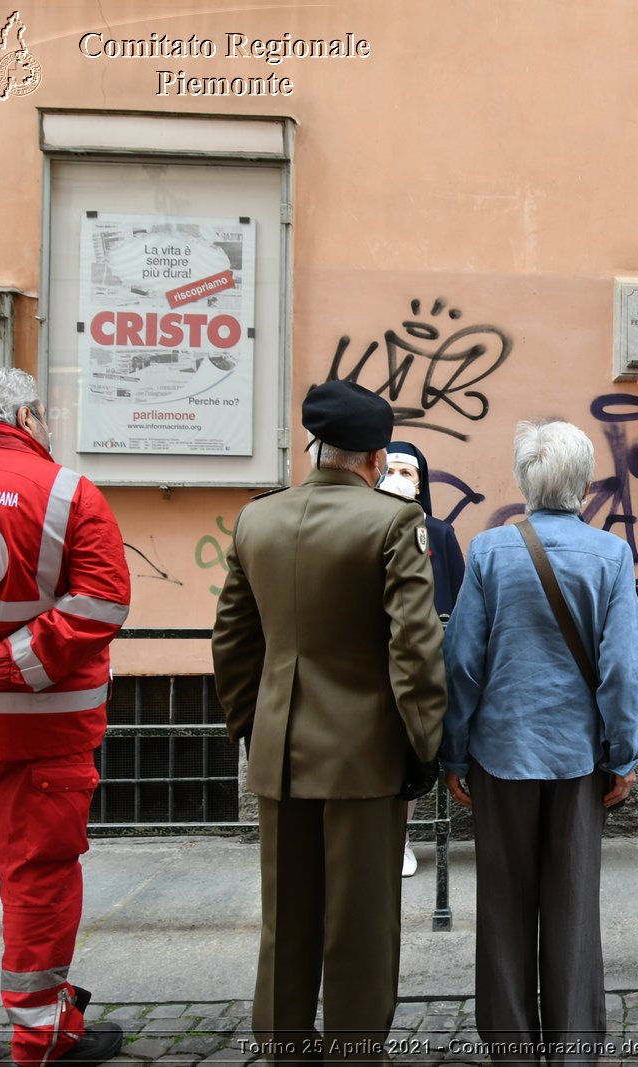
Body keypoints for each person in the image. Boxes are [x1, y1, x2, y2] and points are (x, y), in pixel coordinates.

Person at [212, 380, 446, 1066]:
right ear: (376, 456)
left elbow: (232, 637)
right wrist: (424, 738)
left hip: (279, 746)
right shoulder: (392, 522)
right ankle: (352, 1052)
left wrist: (249, 722)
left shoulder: (257, 519)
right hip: (365, 752)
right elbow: (415, 646)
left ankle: (285, 1049)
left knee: (286, 919)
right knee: (361, 924)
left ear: (319, 446)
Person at [441, 419, 638, 1066]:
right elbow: (622, 670)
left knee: (502, 906)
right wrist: (624, 752)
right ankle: (575, 1046)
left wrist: (455, 749)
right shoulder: (610, 555)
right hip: (577, 756)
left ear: (523, 480)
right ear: (585, 484)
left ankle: (511, 1048)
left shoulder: (490, 550)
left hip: (500, 752)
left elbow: (463, 663)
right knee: (573, 906)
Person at [0, 368, 131, 1066]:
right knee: (38, 881)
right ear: (26, 417)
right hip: (40, 734)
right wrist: (6, 662)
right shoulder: (65, 491)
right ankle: (42, 1032)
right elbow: (104, 603)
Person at [378, 440, 465, 877]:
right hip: (372, 661)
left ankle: (402, 839)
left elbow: (456, 598)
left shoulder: (440, 534)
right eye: (389, 468)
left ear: (421, 483)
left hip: (421, 664)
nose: (396, 478)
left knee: (411, 752)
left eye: (406, 472)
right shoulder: (362, 527)